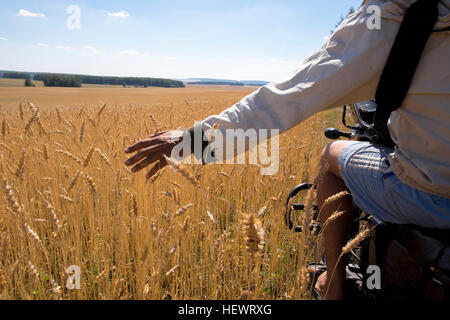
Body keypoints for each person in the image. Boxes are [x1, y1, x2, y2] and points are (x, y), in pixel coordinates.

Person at [125, 0, 450, 299]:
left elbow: (288, 97)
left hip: (431, 195)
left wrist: (194, 139)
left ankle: (332, 284)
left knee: (330, 155)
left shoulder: (397, 12)